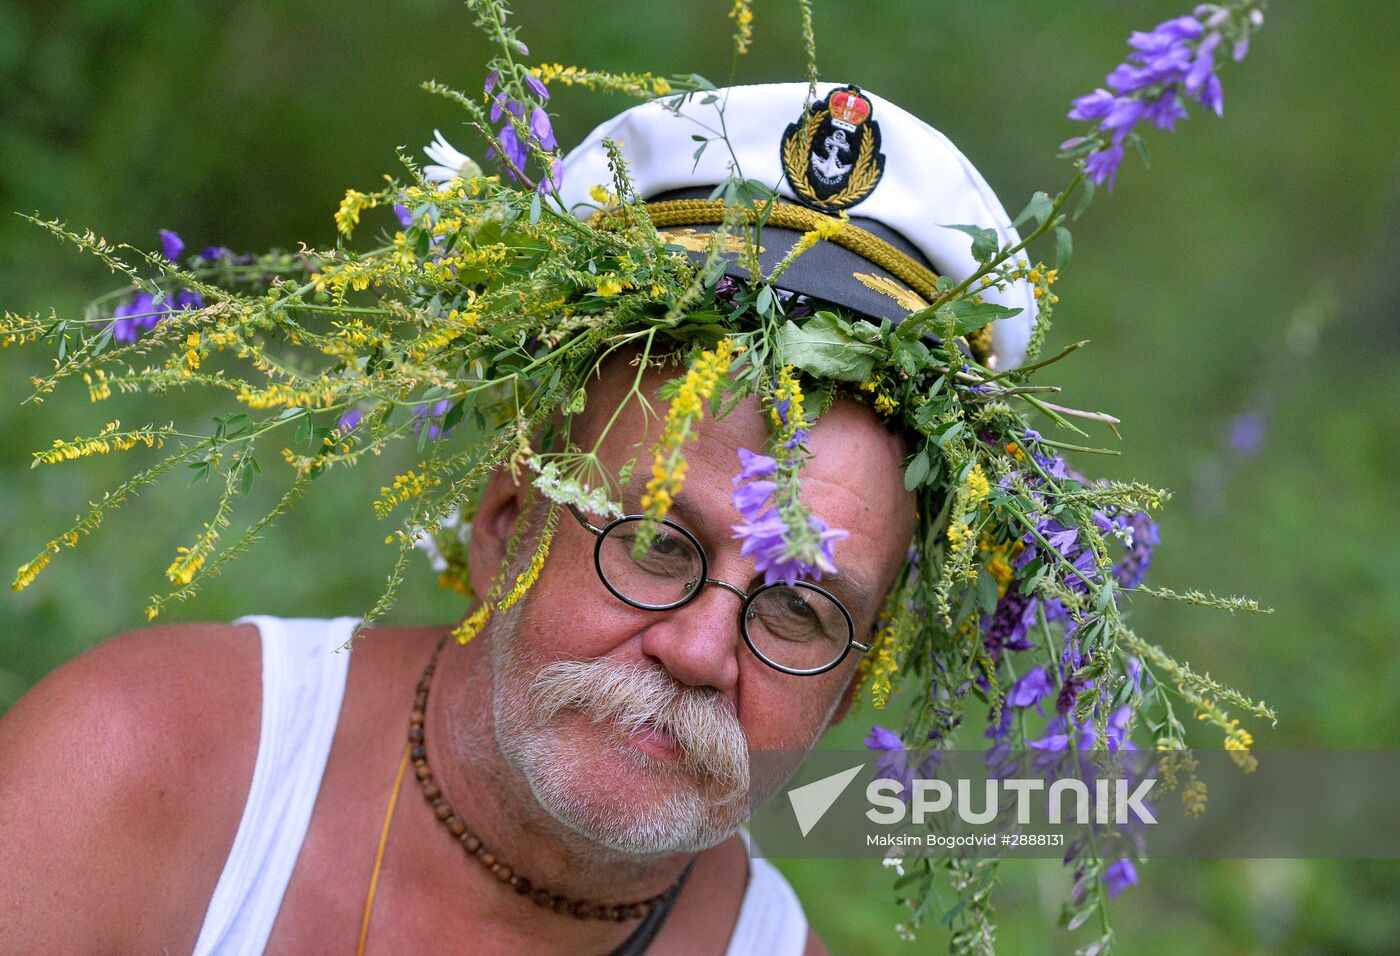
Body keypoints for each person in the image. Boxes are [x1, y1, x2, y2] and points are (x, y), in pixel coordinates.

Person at [0, 82, 1033, 954]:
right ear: (506, 521)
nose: (700, 647)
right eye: (656, 543)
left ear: (852, 681)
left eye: (798, 608)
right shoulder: (145, 777)